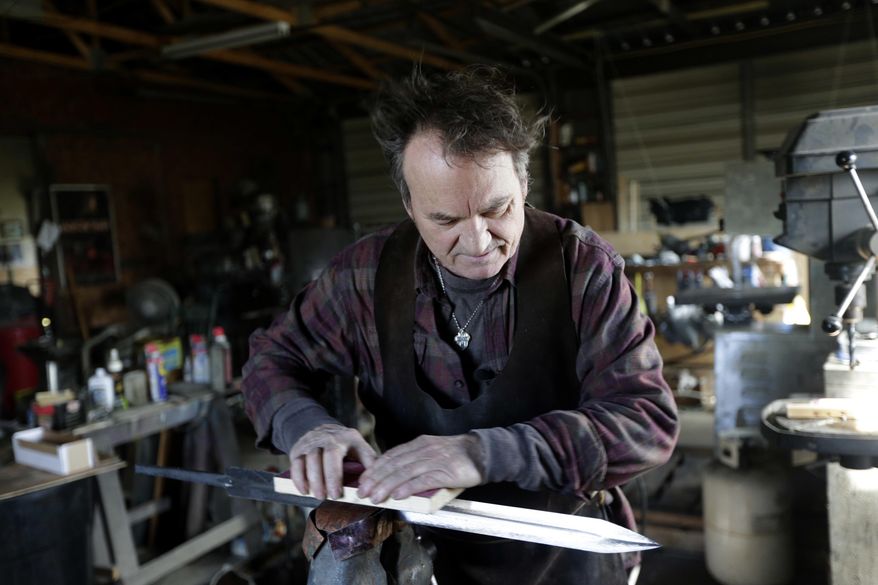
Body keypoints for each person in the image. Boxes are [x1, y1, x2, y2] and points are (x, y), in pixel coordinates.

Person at [241, 66, 679, 584]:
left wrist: (484, 452)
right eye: (445, 221)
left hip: (566, 551)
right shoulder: (365, 275)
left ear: (523, 181)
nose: (477, 242)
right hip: (422, 555)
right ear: (409, 204)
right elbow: (272, 360)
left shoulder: (581, 268)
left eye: (498, 209)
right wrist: (306, 427)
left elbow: (645, 420)